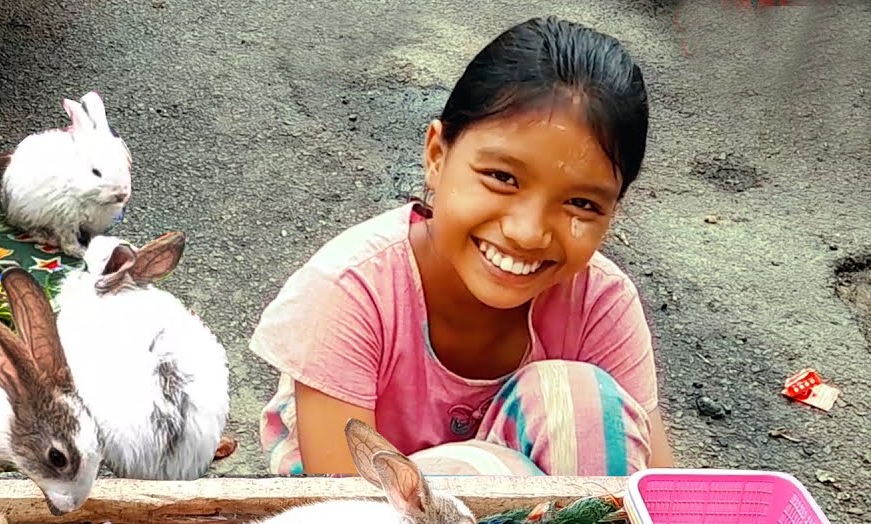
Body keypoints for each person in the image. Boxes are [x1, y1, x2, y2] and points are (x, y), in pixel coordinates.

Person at [249, 16, 674, 478]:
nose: (529, 232)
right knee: (484, 479)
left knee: (585, 403)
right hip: (372, 520)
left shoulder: (599, 303)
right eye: (502, 178)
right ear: (437, 155)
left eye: (581, 203)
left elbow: (659, 490)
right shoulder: (353, 290)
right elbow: (351, 516)